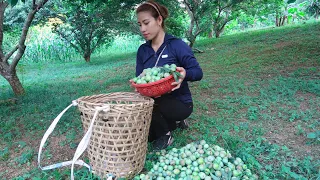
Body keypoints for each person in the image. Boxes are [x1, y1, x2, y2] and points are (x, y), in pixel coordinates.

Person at [134, 0, 203, 150]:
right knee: (146, 135)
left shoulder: (176, 45)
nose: (143, 29)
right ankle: (175, 123)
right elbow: (139, 78)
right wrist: (138, 85)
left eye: (146, 22)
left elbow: (198, 72)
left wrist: (185, 74)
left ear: (159, 20)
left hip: (180, 102)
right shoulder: (142, 51)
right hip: (155, 102)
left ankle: (166, 134)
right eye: (140, 25)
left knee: (150, 106)